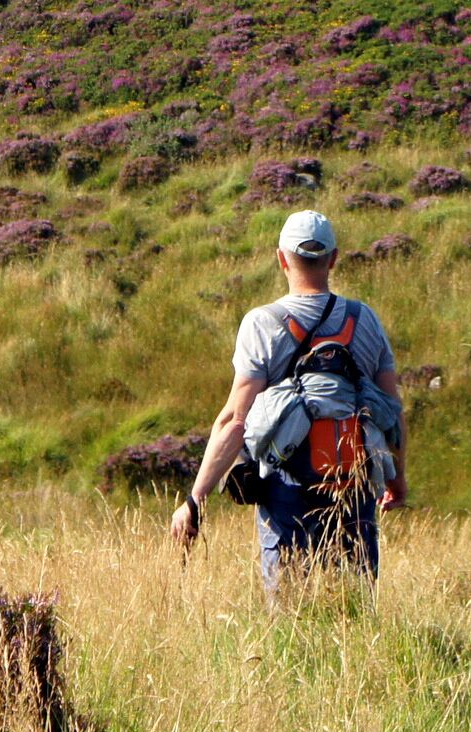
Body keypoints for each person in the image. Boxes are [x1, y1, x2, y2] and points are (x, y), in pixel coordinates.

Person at [168, 209, 405, 591]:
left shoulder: (262, 323)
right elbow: (391, 410)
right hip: (355, 485)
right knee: (354, 606)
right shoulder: (365, 320)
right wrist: (397, 478)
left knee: (289, 613)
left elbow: (235, 421)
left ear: (282, 258)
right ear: (333, 258)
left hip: (286, 490)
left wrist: (196, 499)